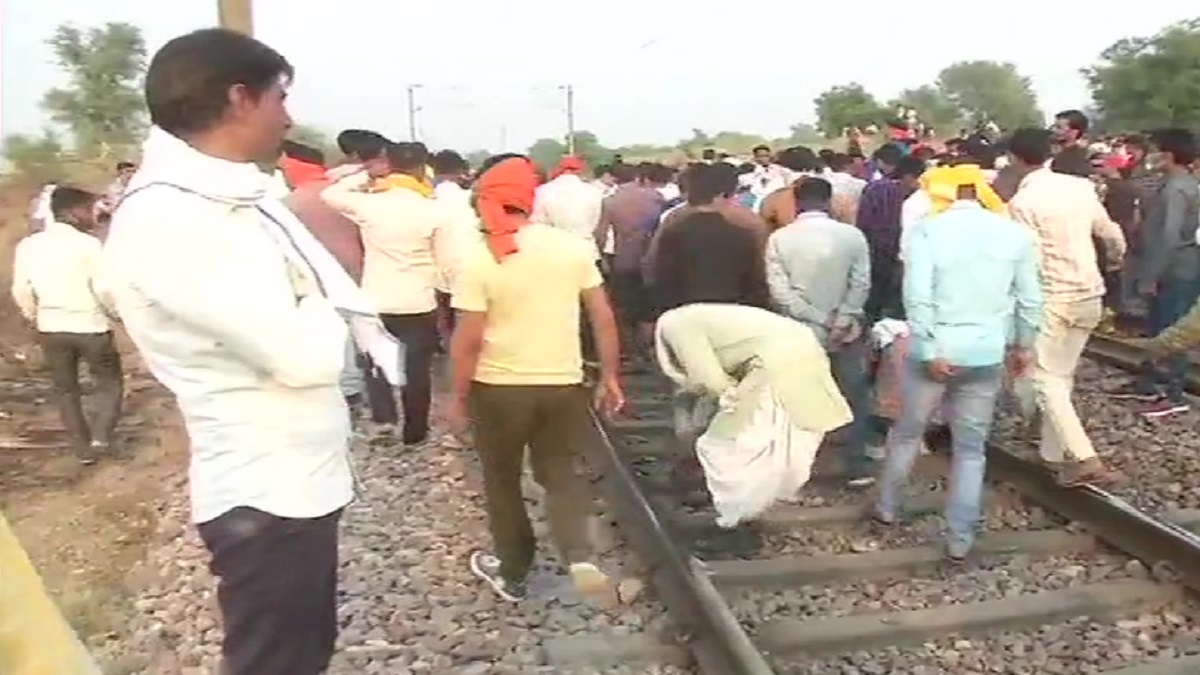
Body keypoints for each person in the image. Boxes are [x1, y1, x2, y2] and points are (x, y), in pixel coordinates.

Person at [100, 29, 398, 675]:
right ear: (240, 98)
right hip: (265, 496)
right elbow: (307, 356)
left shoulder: (228, 197)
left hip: (292, 482)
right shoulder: (177, 218)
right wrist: (326, 297)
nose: (288, 117)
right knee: (275, 661)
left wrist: (310, 295)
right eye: (279, 97)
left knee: (301, 652)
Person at [447, 155, 624, 604]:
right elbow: (602, 318)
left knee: (503, 481)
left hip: (498, 389)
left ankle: (513, 571)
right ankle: (578, 556)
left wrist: (457, 394)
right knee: (561, 475)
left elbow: (468, 340)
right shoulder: (571, 248)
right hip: (563, 384)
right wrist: (611, 377)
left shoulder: (478, 255)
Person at [875, 164, 1042, 562]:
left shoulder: (928, 232)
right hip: (985, 351)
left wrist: (930, 348)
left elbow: (917, 295)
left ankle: (887, 506)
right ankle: (959, 536)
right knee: (971, 449)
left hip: (935, 351)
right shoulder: (1014, 233)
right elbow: (1030, 300)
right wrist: (1023, 346)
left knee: (908, 433)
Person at [654, 302, 852, 526]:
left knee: (729, 442)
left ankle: (737, 508)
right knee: (774, 437)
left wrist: (721, 401)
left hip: (774, 361)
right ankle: (760, 500)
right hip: (805, 349)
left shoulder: (676, 326)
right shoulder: (696, 316)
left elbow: (707, 378)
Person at [323, 140, 463, 445]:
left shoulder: (371, 203)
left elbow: (330, 194)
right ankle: (415, 431)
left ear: (390, 164)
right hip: (418, 299)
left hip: (376, 298)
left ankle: (385, 421)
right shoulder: (434, 209)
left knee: (376, 363)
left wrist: (365, 172)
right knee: (417, 370)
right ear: (421, 168)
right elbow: (447, 260)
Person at [1007, 127, 1126, 486]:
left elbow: (1027, 260)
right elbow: (1111, 234)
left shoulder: (1021, 204)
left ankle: (1084, 457)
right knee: (1063, 375)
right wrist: (1116, 261)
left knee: (1045, 379)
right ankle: (1051, 452)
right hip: (1090, 293)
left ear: (1014, 159)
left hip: (1053, 297)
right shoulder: (1080, 188)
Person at [764, 177, 874, 486]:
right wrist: (843, 318)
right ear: (829, 201)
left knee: (794, 397)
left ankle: (794, 470)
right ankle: (855, 465)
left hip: (798, 330)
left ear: (797, 202)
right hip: (847, 330)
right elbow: (861, 282)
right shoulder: (853, 237)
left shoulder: (779, 239)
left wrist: (818, 318)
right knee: (853, 395)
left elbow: (780, 293)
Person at [11, 186, 122, 465]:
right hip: (91, 325)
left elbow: (21, 290)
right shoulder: (89, 245)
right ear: (72, 212)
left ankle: (82, 448)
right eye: (88, 210)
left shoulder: (29, 245)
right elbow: (105, 288)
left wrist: (34, 316)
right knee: (108, 383)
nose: (92, 216)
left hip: (51, 326)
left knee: (66, 389)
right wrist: (116, 314)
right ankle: (101, 438)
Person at [1110, 128, 1200, 417]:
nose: (1152, 156)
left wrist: (1151, 276)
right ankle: (1149, 383)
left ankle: (1172, 393)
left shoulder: (1176, 189)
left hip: (1175, 270)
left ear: (1168, 154)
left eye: (1156, 150)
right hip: (1175, 267)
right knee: (1158, 326)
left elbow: (1168, 236)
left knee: (1171, 330)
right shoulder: (1177, 184)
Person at [650, 163, 770, 314]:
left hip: (683, 306)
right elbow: (761, 268)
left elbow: (653, 264)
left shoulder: (674, 218)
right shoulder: (749, 221)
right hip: (735, 306)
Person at [855, 155, 926, 322]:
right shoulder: (916, 197)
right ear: (908, 176)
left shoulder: (875, 189)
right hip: (892, 254)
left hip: (879, 250)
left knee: (877, 297)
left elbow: (863, 220)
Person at [532, 156, 603, 259]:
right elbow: (599, 222)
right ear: (580, 171)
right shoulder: (595, 191)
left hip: (555, 249)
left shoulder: (542, 191)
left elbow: (538, 222)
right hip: (586, 249)